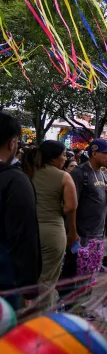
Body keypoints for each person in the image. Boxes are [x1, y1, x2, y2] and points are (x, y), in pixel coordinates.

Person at [22, 140, 76, 290]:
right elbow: (70, 207)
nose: (65, 159)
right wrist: (72, 232)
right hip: (51, 233)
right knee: (47, 280)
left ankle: (21, 312)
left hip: (25, 232)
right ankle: (42, 312)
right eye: (64, 155)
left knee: (25, 279)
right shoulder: (63, 176)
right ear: (53, 158)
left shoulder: (26, 171)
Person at [0, 114, 41, 295]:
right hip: (6, 283)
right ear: (12, 144)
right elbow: (24, 236)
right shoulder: (15, 180)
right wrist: (29, 287)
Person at [70, 138, 107, 276]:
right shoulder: (79, 173)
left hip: (98, 234)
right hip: (81, 234)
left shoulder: (101, 173)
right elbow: (70, 206)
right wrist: (72, 232)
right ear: (94, 153)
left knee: (90, 274)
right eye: (106, 153)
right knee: (76, 273)